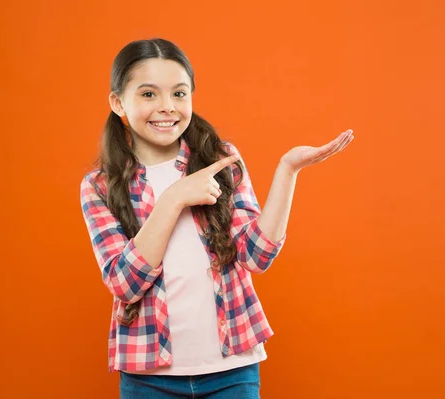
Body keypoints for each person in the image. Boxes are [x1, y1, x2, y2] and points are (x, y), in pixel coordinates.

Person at [79, 38, 354, 399]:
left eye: (179, 94)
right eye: (148, 95)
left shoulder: (220, 158)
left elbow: (257, 256)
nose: (167, 107)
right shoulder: (99, 185)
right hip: (147, 378)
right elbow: (124, 283)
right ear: (118, 103)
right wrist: (174, 198)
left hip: (232, 370)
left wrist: (288, 171)